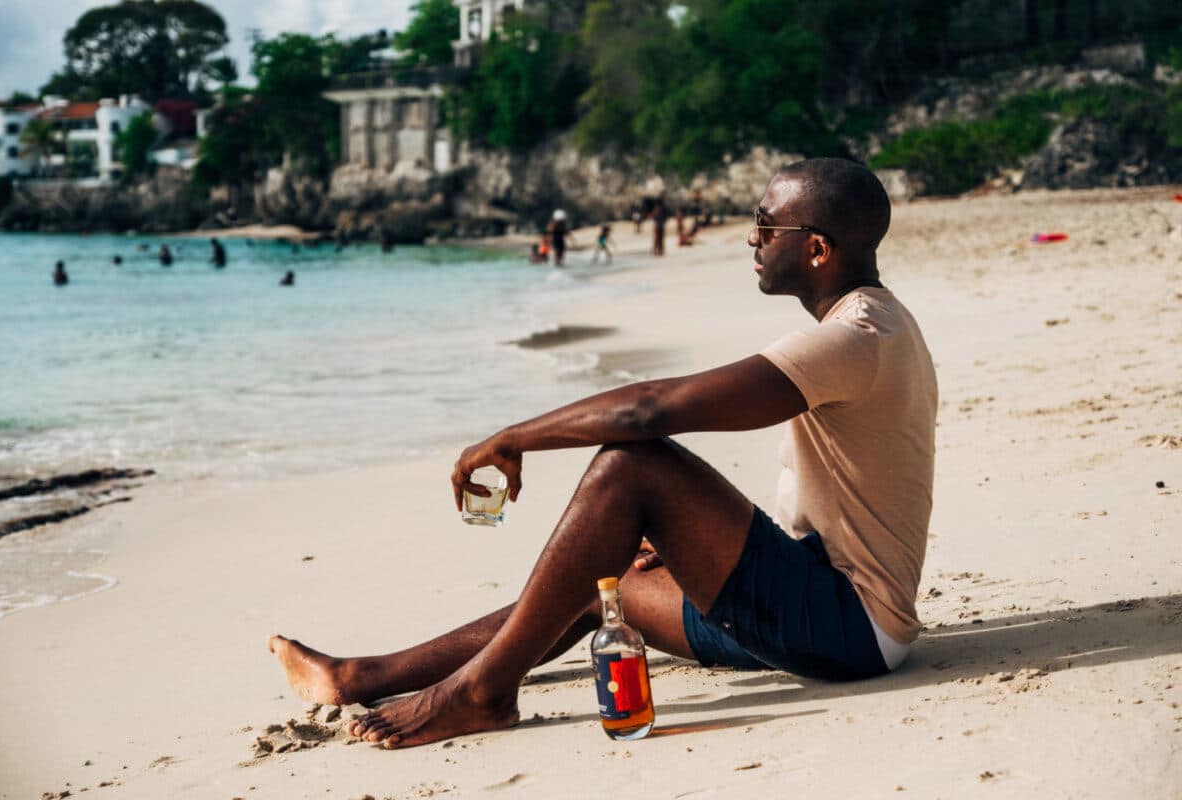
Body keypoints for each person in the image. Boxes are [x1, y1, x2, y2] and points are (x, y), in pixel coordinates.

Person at [268, 158, 937, 750]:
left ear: (817, 248)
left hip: (848, 627)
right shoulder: (871, 325)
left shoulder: (858, 337)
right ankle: (364, 676)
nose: (751, 240)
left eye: (766, 227)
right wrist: (685, 539)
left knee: (633, 464)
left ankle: (481, 694)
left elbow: (650, 409)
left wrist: (510, 438)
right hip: (823, 600)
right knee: (599, 585)